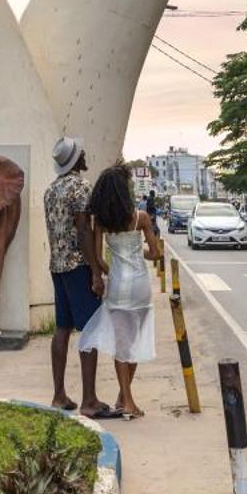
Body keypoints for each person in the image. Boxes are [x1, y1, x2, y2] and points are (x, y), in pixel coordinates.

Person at [79, 165, 163, 419]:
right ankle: (127, 401)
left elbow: (98, 258)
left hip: (117, 285)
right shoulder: (141, 218)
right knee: (134, 343)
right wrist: (141, 254)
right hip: (139, 286)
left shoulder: (102, 223)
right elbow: (156, 253)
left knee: (120, 345)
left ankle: (123, 397)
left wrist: (109, 272)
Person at [44, 137, 116, 419]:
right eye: (81, 152)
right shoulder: (81, 187)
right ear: (76, 160)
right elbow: (84, 231)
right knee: (91, 330)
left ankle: (59, 394)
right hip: (78, 266)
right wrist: (95, 271)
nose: (85, 154)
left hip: (57, 266)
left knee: (62, 328)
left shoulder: (51, 190)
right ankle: (89, 400)